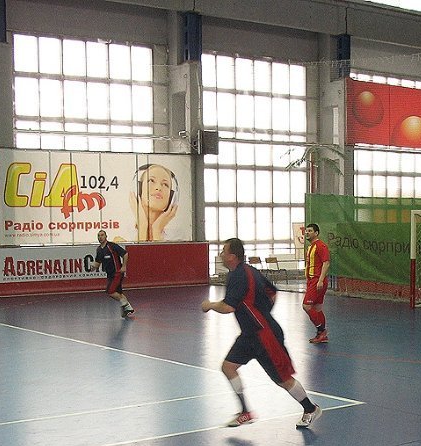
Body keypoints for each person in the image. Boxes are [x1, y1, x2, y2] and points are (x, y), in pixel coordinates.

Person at [202, 237, 322, 428]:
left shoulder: (238, 275)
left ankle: (310, 409)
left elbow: (228, 307)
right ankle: (245, 412)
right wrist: (262, 311)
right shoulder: (250, 271)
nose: (221, 254)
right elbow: (271, 293)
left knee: (283, 380)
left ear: (232, 256)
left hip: (265, 336)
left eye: (224, 251)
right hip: (249, 335)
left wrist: (209, 305)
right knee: (228, 367)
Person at [89, 229, 134, 318]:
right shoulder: (99, 249)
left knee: (110, 291)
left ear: (106, 236)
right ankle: (128, 309)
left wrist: (124, 266)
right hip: (109, 274)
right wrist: (92, 268)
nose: (100, 237)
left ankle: (125, 305)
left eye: (102, 235)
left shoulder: (112, 246)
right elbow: (97, 262)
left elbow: (125, 254)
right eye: (99, 236)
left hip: (117, 273)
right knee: (118, 293)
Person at [131, 163, 179, 241]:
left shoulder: (178, 238)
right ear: (138, 189)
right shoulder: (122, 237)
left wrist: (157, 230)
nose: (158, 188)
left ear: (171, 198)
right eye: (151, 180)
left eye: (165, 184)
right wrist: (143, 226)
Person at [303, 223, 330, 343]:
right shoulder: (310, 247)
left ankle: (321, 330)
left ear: (316, 233)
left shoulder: (321, 246)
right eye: (306, 231)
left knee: (306, 306)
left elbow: (326, 263)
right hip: (312, 281)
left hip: (317, 280)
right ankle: (322, 336)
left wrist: (320, 280)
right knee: (317, 308)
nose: (307, 233)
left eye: (310, 231)